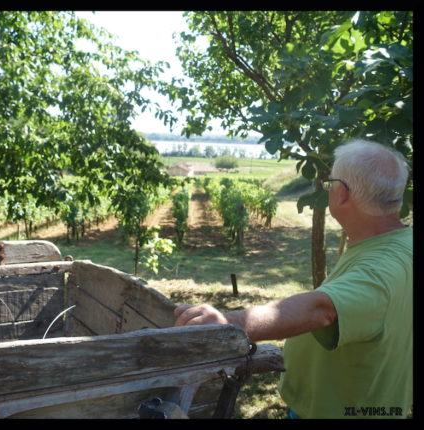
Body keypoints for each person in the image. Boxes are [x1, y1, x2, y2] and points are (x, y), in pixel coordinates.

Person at [173, 139, 412, 419]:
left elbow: (321, 309)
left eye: (331, 181)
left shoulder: (379, 269)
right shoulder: (398, 242)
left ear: (343, 193)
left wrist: (227, 323)